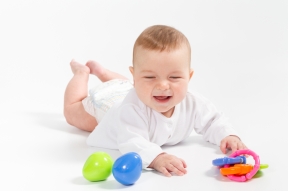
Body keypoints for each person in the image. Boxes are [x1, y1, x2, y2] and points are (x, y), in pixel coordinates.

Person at [64, 25, 247, 177]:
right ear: (135, 76)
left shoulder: (192, 103)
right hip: (107, 105)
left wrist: (227, 135)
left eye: (174, 77)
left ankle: (104, 73)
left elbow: (213, 120)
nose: (162, 85)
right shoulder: (130, 111)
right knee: (73, 112)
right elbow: (131, 140)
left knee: (124, 85)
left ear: (188, 76)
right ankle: (82, 74)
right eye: (150, 77)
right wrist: (156, 157)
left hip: (127, 88)